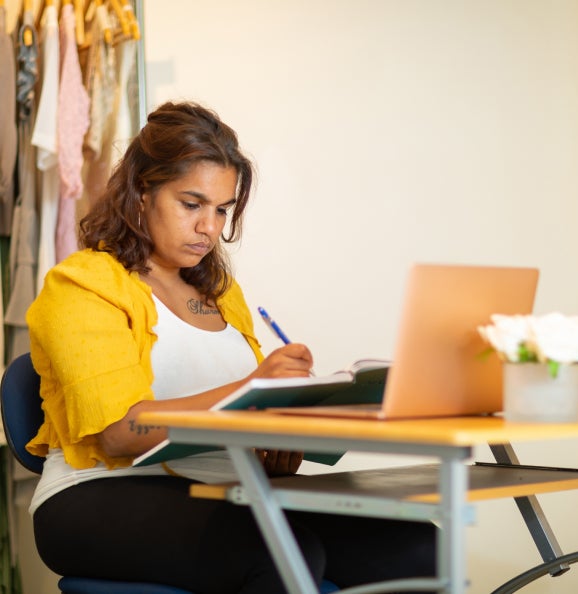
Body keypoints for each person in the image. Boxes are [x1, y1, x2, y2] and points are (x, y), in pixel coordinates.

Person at [25, 101, 436, 594]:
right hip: (95, 495)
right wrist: (251, 388)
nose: (210, 228)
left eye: (222, 209)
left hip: (229, 486)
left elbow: (238, 414)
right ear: (141, 192)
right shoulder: (82, 285)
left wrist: (281, 433)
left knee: (417, 548)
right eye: (191, 204)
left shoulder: (221, 295)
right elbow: (120, 432)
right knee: (285, 553)